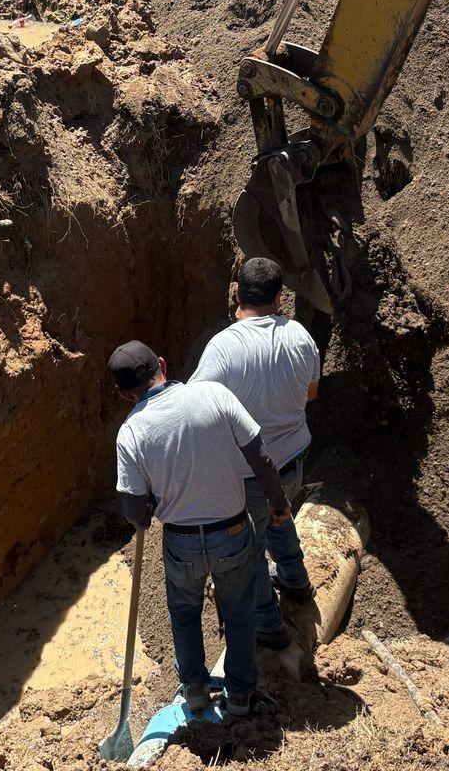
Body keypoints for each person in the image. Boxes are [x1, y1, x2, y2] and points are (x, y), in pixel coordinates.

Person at [111, 339, 292, 717]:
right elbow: (260, 458)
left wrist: (144, 515)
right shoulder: (214, 395)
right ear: (162, 362)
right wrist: (278, 504)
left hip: (181, 542)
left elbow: (132, 507)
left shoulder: (131, 432)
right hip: (233, 533)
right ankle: (241, 697)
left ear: (126, 394)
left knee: (184, 613)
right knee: (240, 613)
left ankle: (194, 691)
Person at [192, 258, 320, 649]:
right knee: (280, 519)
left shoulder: (224, 347)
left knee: (252, 547)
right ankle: (297, 582)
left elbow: (199, 407)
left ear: (237, 295)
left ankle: (269, 625)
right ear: (280, 297)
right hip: (294, 460)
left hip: (250, 474)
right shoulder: (300, 336)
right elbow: (311, 393)